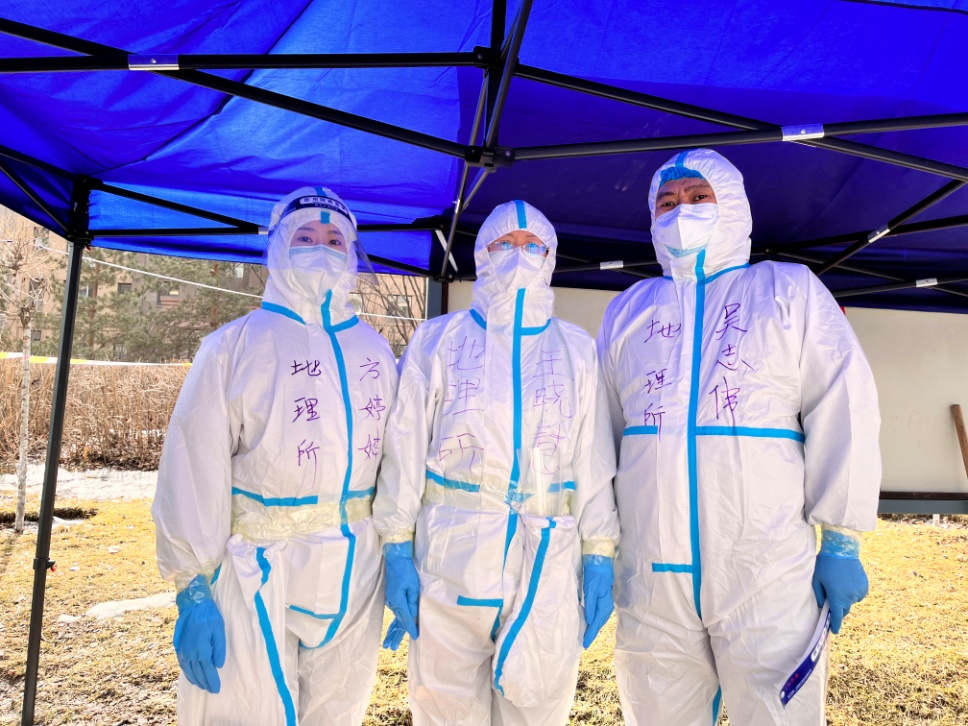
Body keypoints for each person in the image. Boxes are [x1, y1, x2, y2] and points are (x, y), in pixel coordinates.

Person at [597, 149, 881, 725]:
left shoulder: (788, 291)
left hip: (763, 567)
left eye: (698, 197)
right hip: (651, 573)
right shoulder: (628, 312)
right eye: (667, 202)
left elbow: (844, 407)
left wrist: (841, 541)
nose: (681, 211)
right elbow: (600, 438)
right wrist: (597, 548)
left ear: (731, 205)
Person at [152, 187, 397, 725]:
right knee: (250, 712)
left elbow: (398, 461)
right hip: (260, 565)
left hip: (357, 567)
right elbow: (193, 465)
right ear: (278, 245)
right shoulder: (234, 346)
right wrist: (193, 585)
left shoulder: (375, 351)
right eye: (305, 237)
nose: (321, 249)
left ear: (352, 252)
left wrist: (405, 553)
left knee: (338, 711)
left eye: (335, 239)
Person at [373, 200, 620, 725]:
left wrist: (599, 553)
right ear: (482, 255)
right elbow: (404, 449)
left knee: (536, 706)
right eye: (504, 244)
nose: (518, 255)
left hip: (545, 560)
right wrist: (395, 546)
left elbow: (593, 460)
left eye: (533, 246)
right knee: (446, 708)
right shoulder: (438, 341)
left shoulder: (576, 349)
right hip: (451, 557)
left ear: (551, 257)